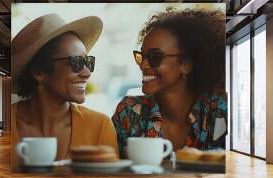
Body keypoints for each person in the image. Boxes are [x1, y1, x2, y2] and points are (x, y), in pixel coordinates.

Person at [112, 8, 227, 158]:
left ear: (185, 65)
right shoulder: (130, 112)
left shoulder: (218, 111)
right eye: (142, 56)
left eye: (154, 57)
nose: (143, 65)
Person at [11, 14, 118, 168]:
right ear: (38, 71)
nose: (87, 72)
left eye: (88, 62)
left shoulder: (100, 126)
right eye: (76, 62)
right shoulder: (8, 125)